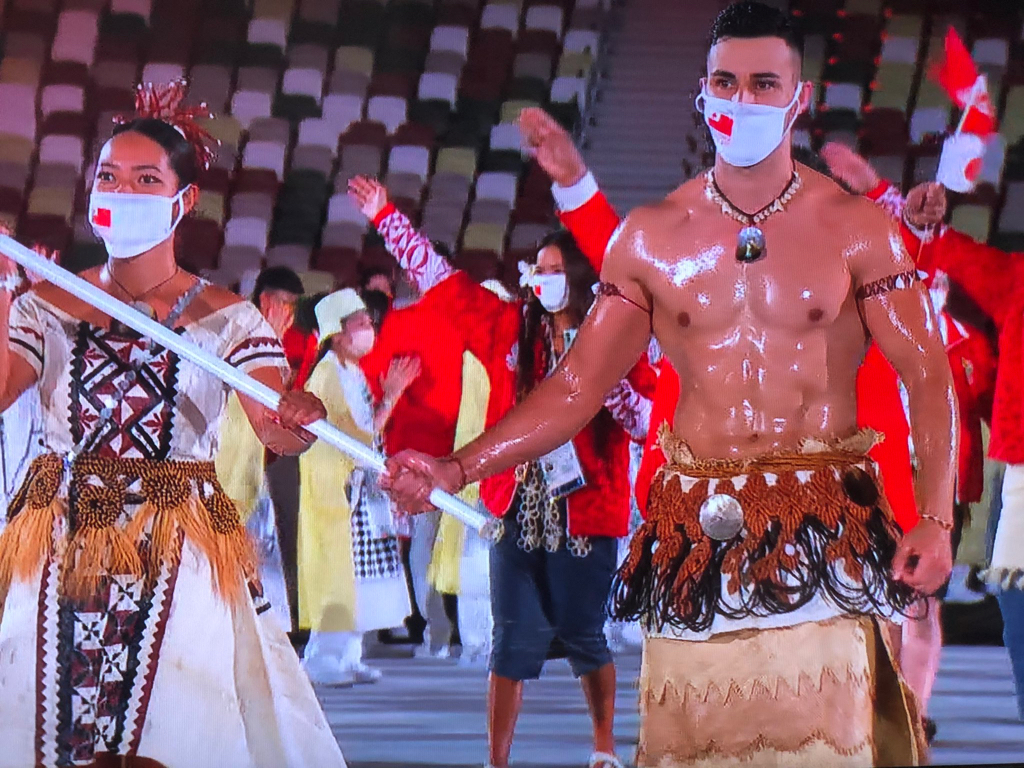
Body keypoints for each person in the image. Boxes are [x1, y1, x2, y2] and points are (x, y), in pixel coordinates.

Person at [382, 4, 957, 767]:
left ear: (799, 99)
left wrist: (937, 518)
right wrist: (458, 467)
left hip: (825, 531)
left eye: (763, 83)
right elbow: (577, 384)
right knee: (695, 751)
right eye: (726, 82)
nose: (741, 100)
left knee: (828, 751)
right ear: (702, 91)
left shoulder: (857, 228)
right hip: (696, 538)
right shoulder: (651, 237)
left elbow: (927, 372)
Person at [0, 80, 345, 766]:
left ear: (183, 201)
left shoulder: (229, 317)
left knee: (173, 729)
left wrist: (302, 414)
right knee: (43, 727)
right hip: (59, 534)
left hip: (178, 546)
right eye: (108, 176)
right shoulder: (45, 304)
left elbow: (275, 427)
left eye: (146, 180)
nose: (122, 191)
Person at [350, 170, 652, 768]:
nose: (542, 278)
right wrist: (387, 217)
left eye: (555, 269)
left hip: (587, 509)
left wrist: (609, 382)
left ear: (581, 277)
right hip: (513, 504)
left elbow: (645, 421)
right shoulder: (509, 327)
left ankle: (602, 747)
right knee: (509, 641)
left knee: (584, 635)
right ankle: (497, 759)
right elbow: (441, 280)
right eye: (538, 268)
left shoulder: (618, 335)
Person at [297, 288, 419, 686]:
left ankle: (348, 656)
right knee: (337, 573)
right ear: (336, 333)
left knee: (356, 575)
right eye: (360, 324)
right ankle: (322, 658)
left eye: (370, 323)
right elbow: (356, 437)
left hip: (356, 489)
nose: (369, 330)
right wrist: (392, 396)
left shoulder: (350, 371)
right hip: (336, 490)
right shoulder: (328, 373)